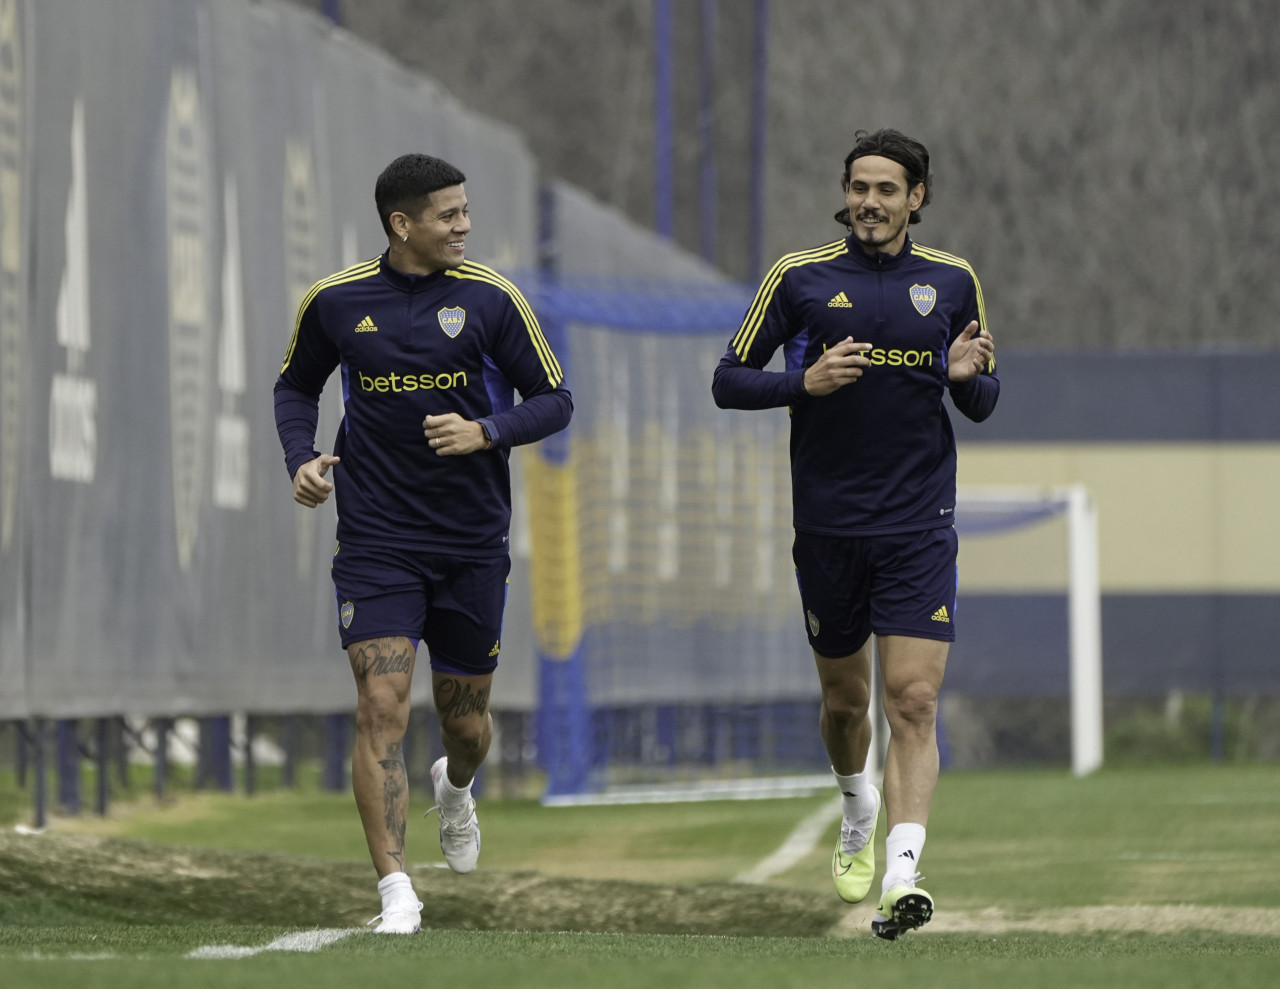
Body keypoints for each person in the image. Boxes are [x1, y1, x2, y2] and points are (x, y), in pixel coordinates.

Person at [274, 153, 572, 934]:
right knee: (381, 705)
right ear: (402, 224)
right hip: (376, 539)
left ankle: (456, 787)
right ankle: (397, 890)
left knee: (465, 723)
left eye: (467, 211)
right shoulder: (337, 302)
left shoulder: (491, 299)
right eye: (449, 215)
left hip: (471, 539)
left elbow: (555, 399)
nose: (464, 225)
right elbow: (294, 386)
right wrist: (301, 457)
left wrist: (486, 431)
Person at [711, 128, 998, 939]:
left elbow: (981, 395)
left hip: (918, 523)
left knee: (913, 698)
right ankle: (854, 804)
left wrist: (964, 377)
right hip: (830, 525)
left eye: (887, 189)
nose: (870, 201)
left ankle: (903, 875)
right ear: (847, 194)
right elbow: (728, 379)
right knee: (846, 704)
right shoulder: (798, 279)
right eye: (859, 187)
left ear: (917, 198)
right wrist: (803, 380)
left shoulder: (951, 281)